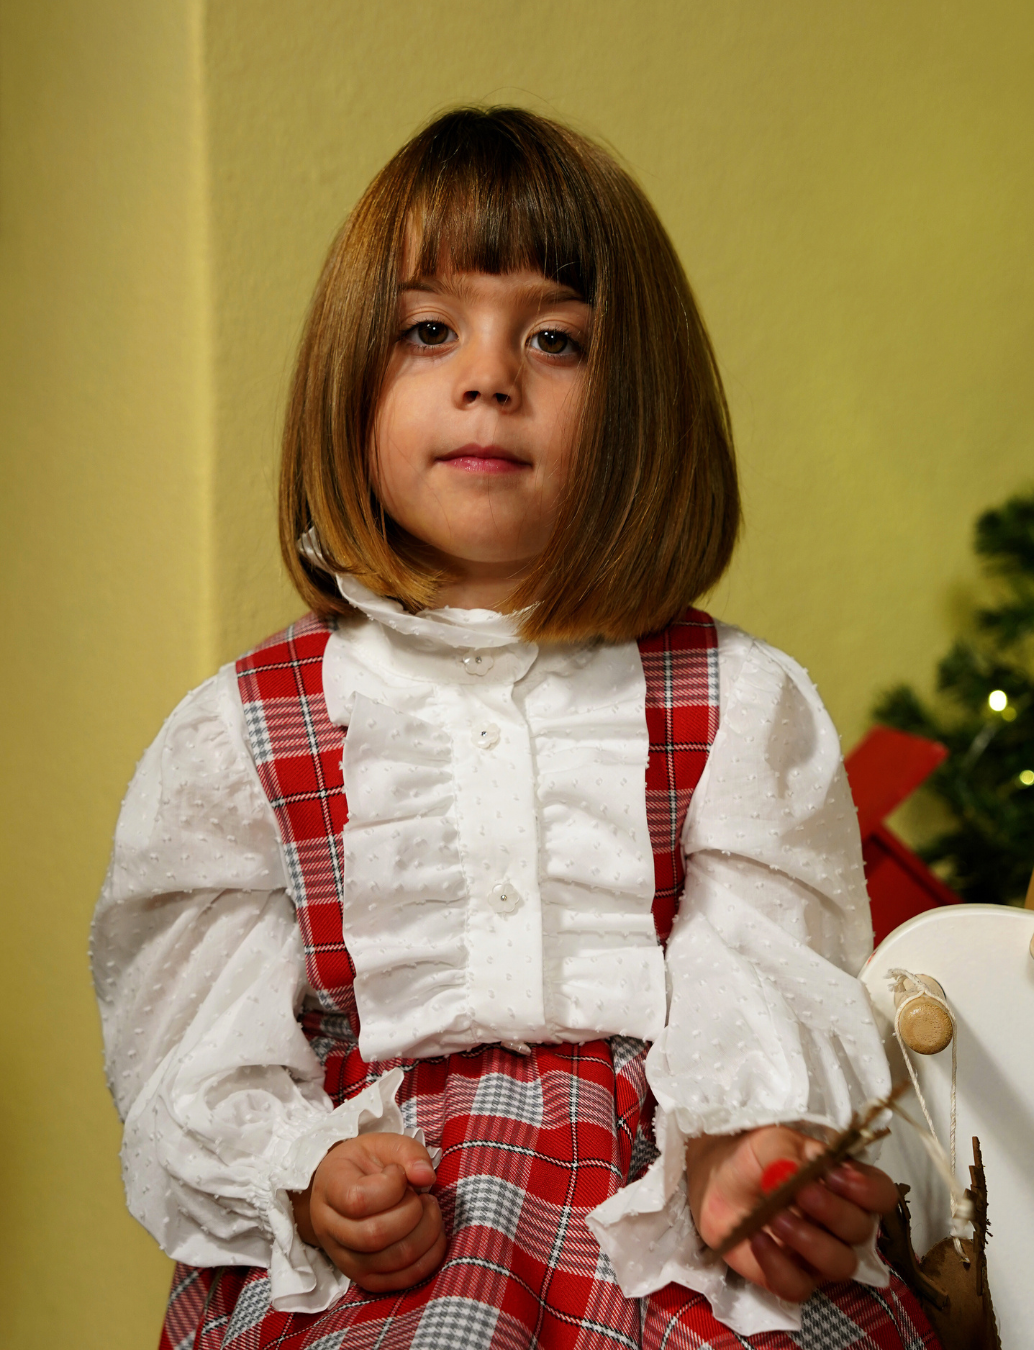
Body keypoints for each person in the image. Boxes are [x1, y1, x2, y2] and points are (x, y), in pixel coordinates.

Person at [92, 107, 940, 1350]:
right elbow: (194, 1044)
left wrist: (746, 1143)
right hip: (400, 1205)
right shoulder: (247, 732)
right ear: (350, 374)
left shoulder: (731, 702)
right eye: (428, 330)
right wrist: (306, 1175)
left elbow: (762, 967)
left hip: (662, 1196)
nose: (488, 375)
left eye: (555, 337)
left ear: (641, 398)